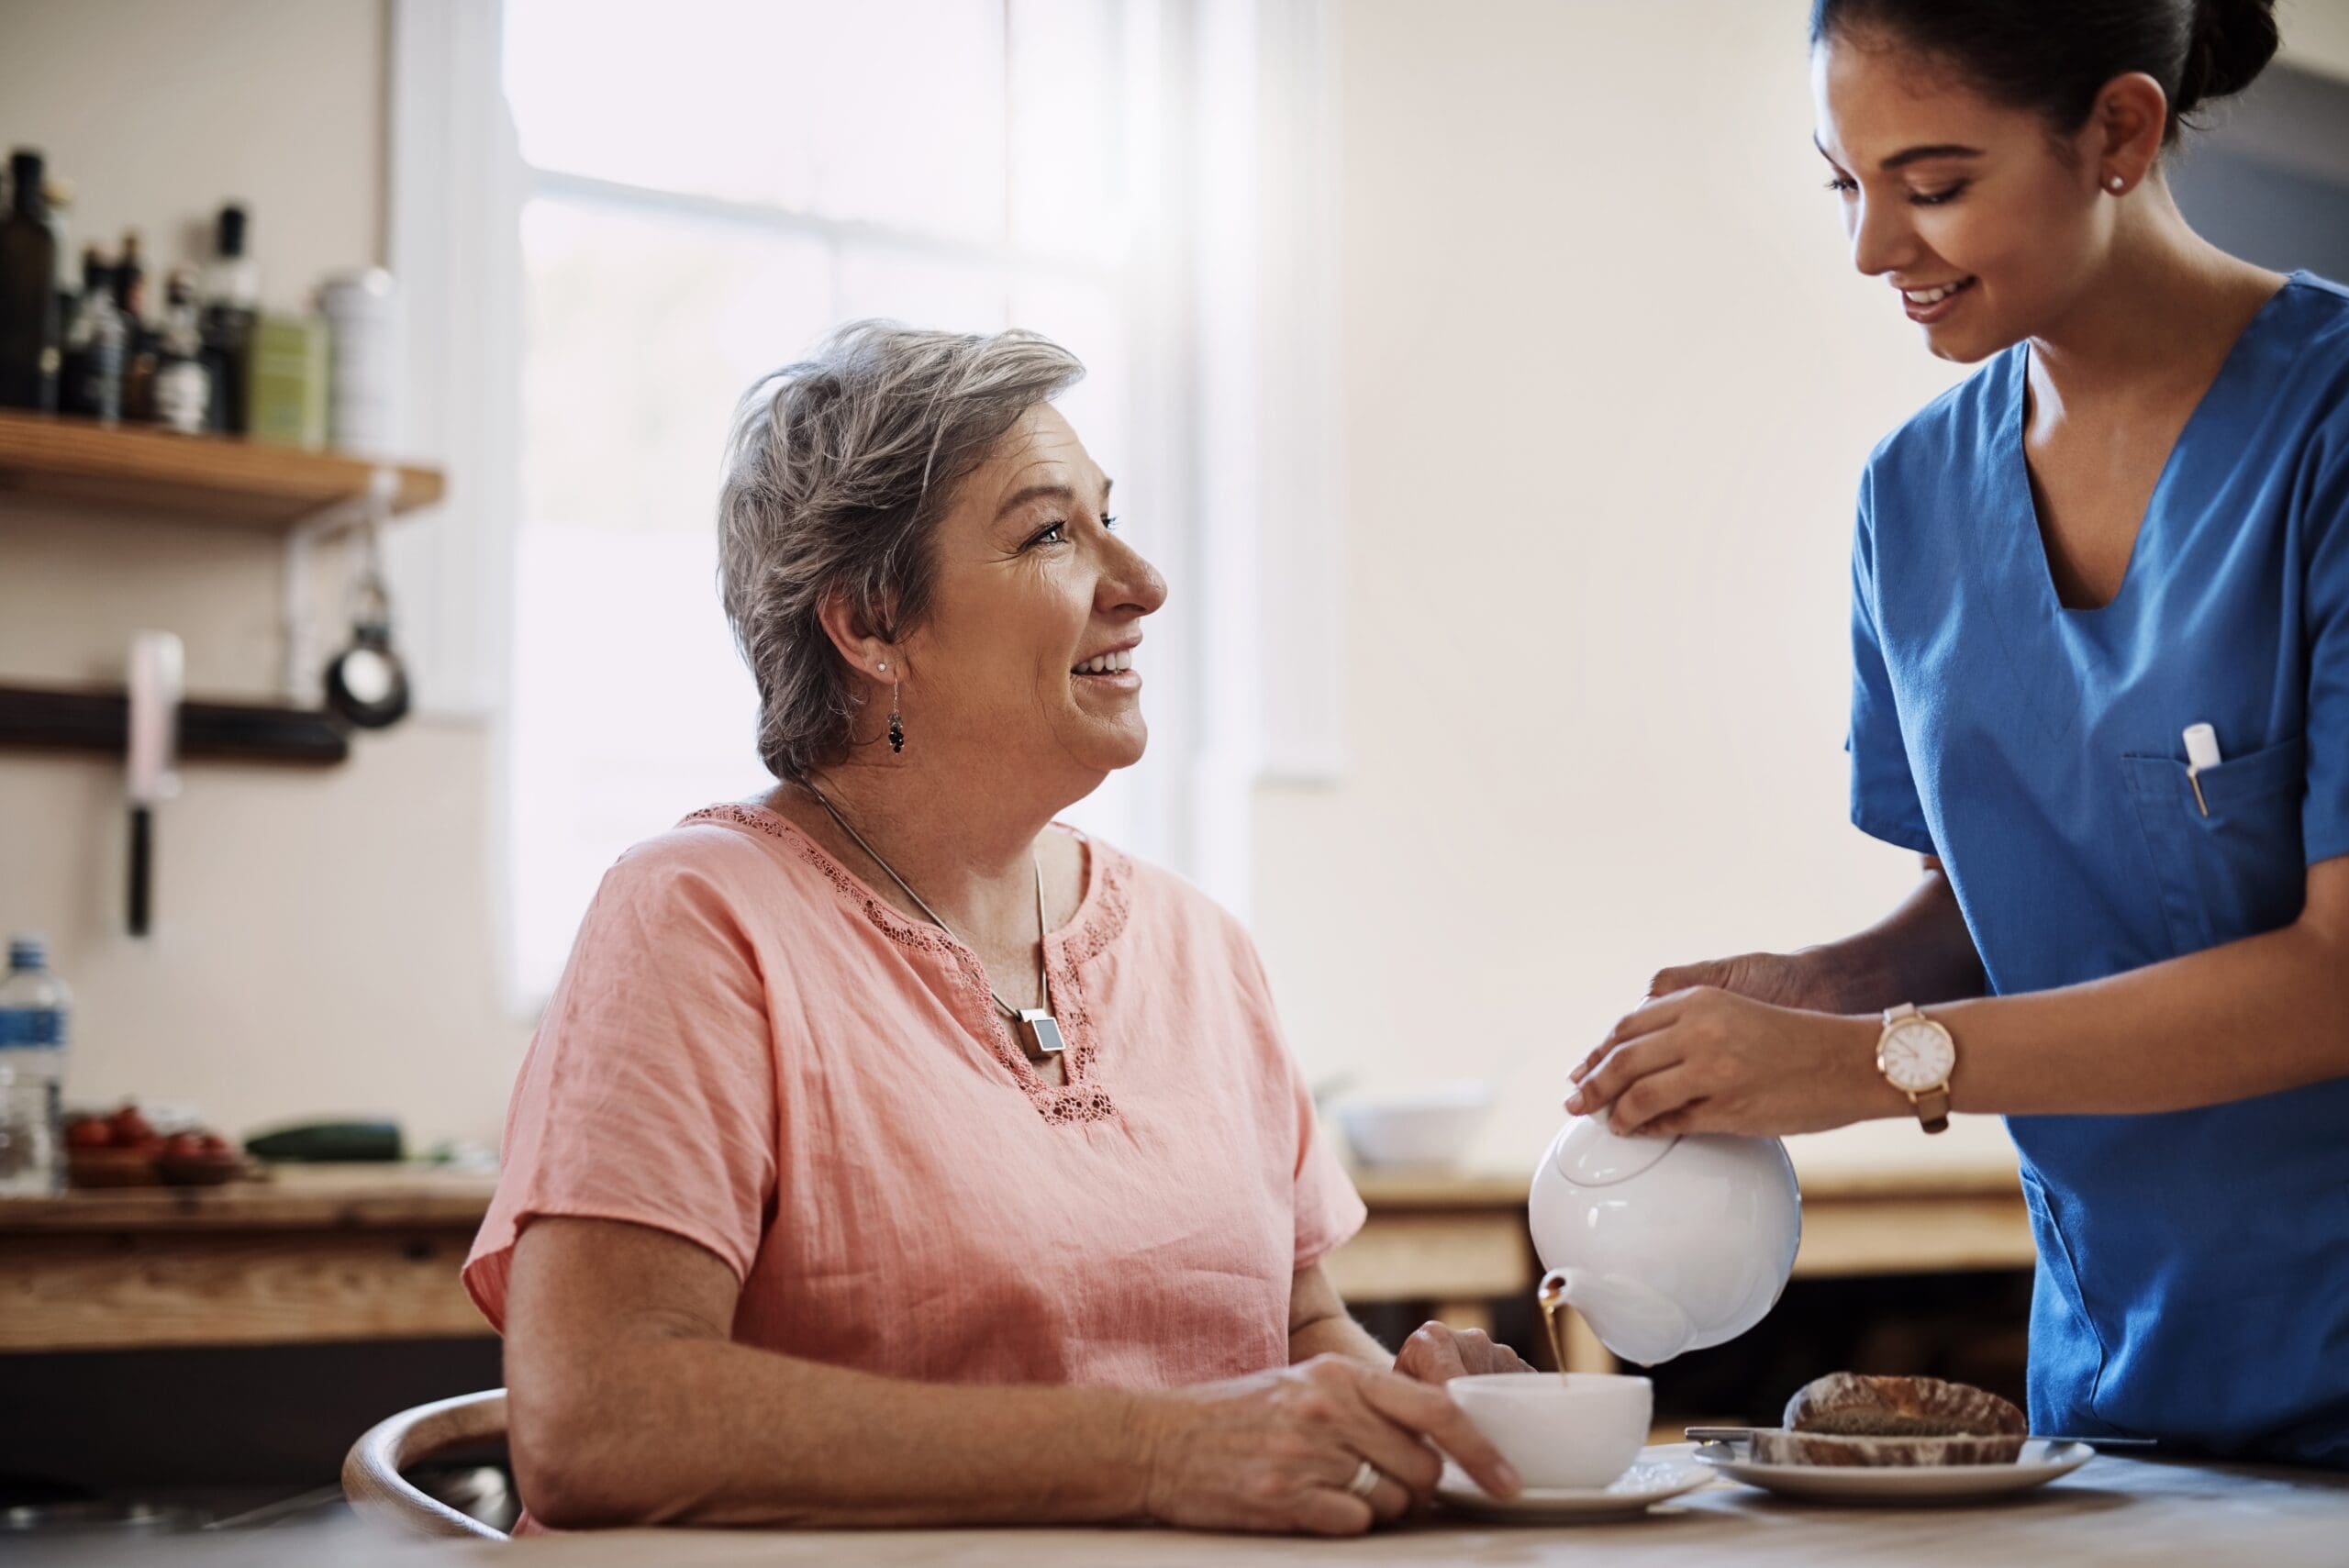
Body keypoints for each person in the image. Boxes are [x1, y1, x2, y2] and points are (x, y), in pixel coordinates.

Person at [465, 322, 1524, 1535]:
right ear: (870, 624)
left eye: (1109, 515)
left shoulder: (1201, 948)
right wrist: (1151, 1450)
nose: (1143, 580)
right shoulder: (696, 919)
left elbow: (1291, 1335)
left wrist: (1414, 1413)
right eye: (1052, 532)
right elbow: (600, 1417)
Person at [1567, 0, 2349, 1467]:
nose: (1874, 249)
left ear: (2118, 130)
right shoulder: (1914, 499)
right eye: (1844, 185)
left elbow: (2337, 975)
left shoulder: (2331, 435)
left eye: (1931, 186)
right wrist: (1826, 988)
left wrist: (1871, 1062)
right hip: (2117, 1392)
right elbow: (2034, 889)